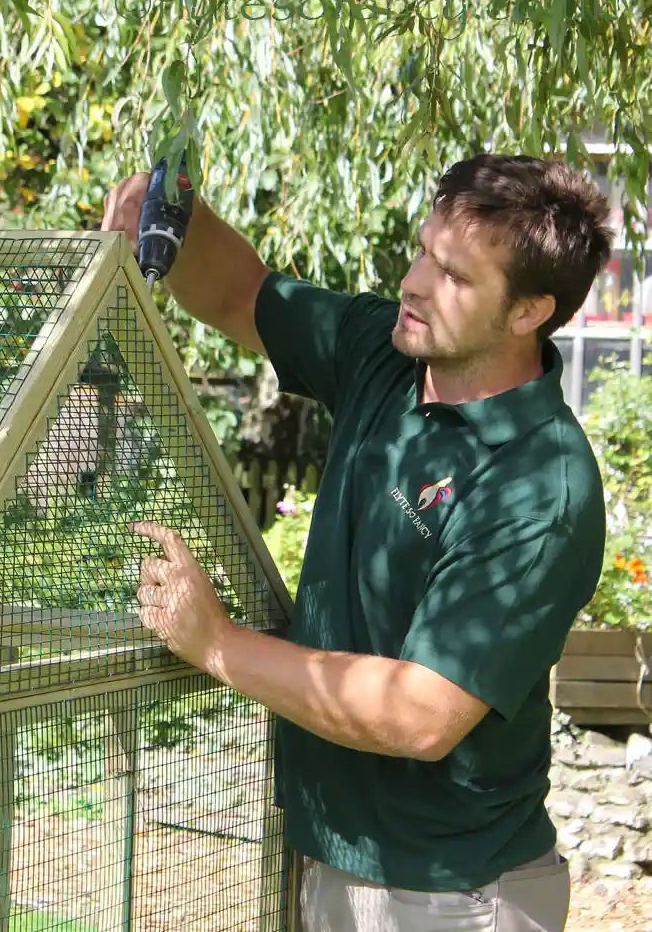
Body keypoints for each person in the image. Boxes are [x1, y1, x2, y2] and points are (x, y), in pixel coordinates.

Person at [101, 153, 614, 932]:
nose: (413, 282)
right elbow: (243, 294)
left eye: (454, 275)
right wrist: (173, 217)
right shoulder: (386, 354)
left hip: (452, 895)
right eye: (423, 251)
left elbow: (421, 712)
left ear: (527, 312)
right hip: (345, 866)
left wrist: (218, 645)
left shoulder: (540, 483)